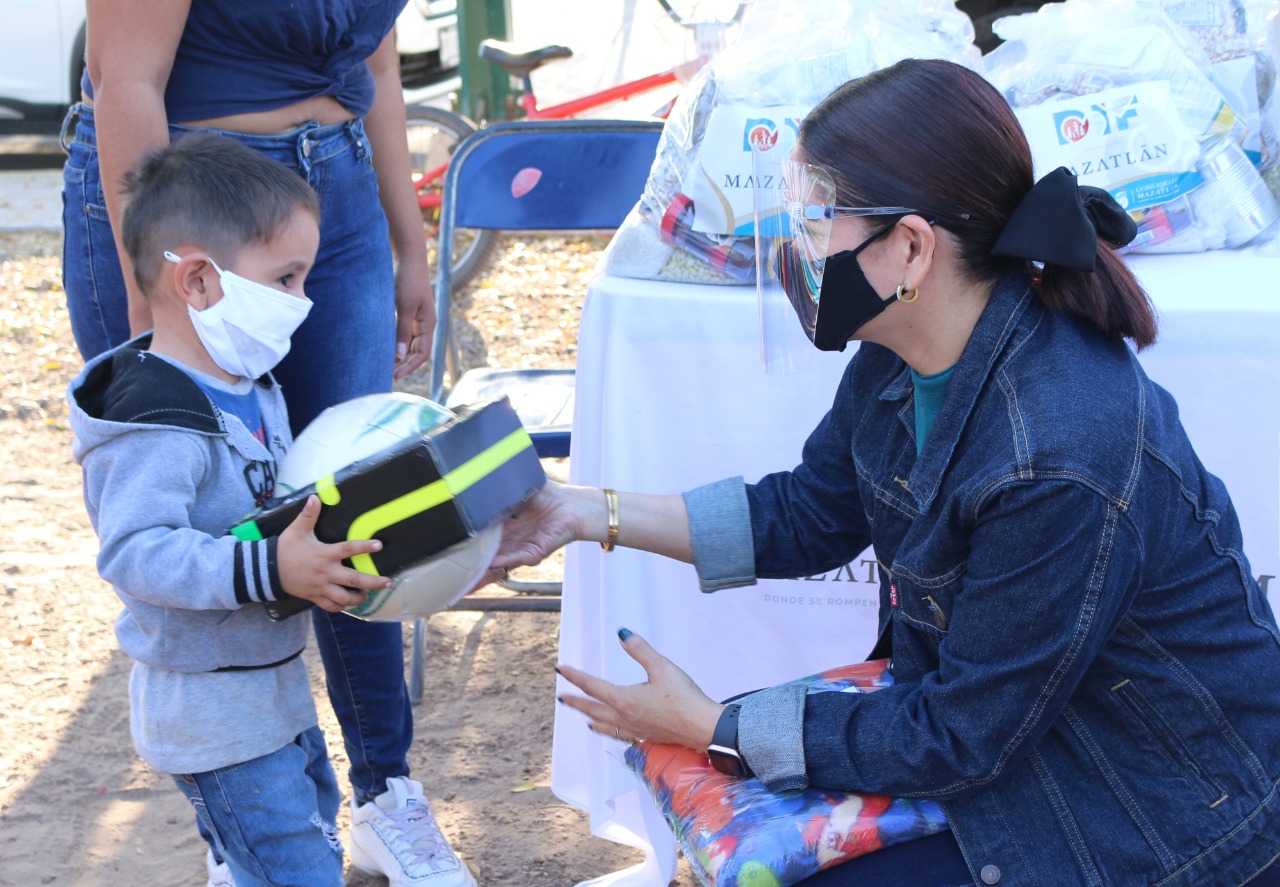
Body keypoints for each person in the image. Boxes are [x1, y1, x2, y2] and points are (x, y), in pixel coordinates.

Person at [491, 59, 1280, 886]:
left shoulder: (1054, 453)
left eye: (815, 223)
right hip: (1024, 737)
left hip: (1153, 807)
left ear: (910, 247)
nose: (793, 249)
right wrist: (581, 512)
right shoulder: (902, 355)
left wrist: (715, 726)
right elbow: (806, 516)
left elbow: (960, 737)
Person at [59, 4, 472, 885]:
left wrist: (410, 245)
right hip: (191, 203)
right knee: (202, 498)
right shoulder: (183, 300)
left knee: (351, 501)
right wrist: (155, 316)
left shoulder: (297, 286)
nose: (301, 300)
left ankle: (380, 793)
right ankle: (240, 830)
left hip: (328, 195)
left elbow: (379, 63)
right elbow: (125, 76)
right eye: (291, 285)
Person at [67, 134, 400, 886]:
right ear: (198, 280)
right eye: (284, 277)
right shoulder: (155, 420)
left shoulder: (251, 386)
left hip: (272, 684)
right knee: (297, 868)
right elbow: (135, 551)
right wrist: (270, 566)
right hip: (210, 711)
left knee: (298, 841)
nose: (302, 299)